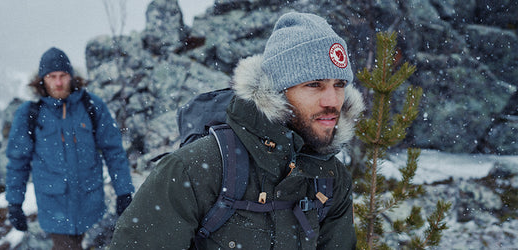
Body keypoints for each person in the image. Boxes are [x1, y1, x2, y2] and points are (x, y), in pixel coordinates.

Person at [109, 12, 364, 249]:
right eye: (314, 84)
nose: (332, 101)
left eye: (339, 84)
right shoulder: (195, 169)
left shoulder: (330, 178)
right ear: (277, 91)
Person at [5, 47, 134, 249]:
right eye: (52, 76)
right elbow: (17, 162)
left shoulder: (92, 106)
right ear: (41, 80)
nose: (58, 83)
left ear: (72, 77)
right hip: (55, 207)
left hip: (92, 204)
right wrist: (14, 203)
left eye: (63, 76)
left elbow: (113, 151)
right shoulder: (30, 113)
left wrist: (124, 191)